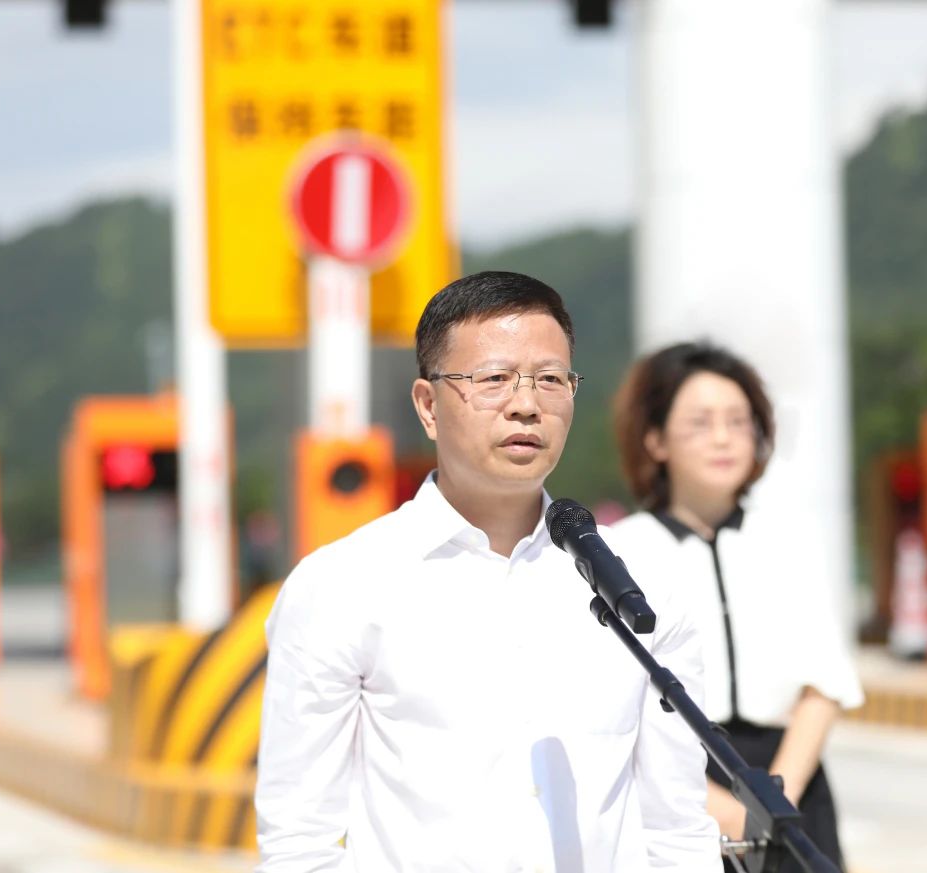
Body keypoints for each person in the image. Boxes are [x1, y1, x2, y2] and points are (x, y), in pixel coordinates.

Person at [255, 272, 717, 872]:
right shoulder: (341, 587)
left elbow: (676, 829)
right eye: (494, 379)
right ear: (428, 405)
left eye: (551, 380)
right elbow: (299, 842)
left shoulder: (641, 585)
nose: (526, 404)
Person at [609, 340, 863, 872]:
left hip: (792, 792)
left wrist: (775, 801)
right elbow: (621, 703)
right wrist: (721, 809)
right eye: (700, 423)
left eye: (738, 421)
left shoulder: (790, 538)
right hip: (676, 797)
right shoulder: (624, 550)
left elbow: (825, 682)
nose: (723, 438)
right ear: (655, 439)